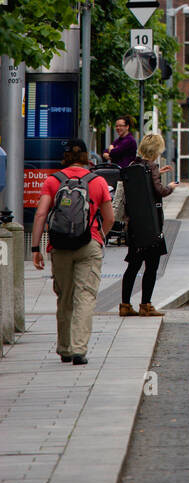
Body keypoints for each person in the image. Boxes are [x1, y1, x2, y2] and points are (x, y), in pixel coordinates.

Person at [30, 139, 114, 365]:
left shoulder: (53, 181)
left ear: (65, 157)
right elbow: (110, 218)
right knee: (85, 296)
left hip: (59, 246)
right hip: (89, 245)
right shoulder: (97, 182)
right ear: (87, 157)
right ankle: (79, 349)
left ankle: (65, 348)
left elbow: (40, 215)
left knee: (64, 297)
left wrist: (36, 247)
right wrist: (99, 238)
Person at [119, 133, 176, 318]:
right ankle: (146, 305)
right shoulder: (151, 166)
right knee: (151, 266)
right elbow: (159, 190)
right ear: (156, 150)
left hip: (135, 225)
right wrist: (172, 187)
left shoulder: (133, 166)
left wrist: (160, 173)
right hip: (152, 225)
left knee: (133, 266)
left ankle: (125, 305)